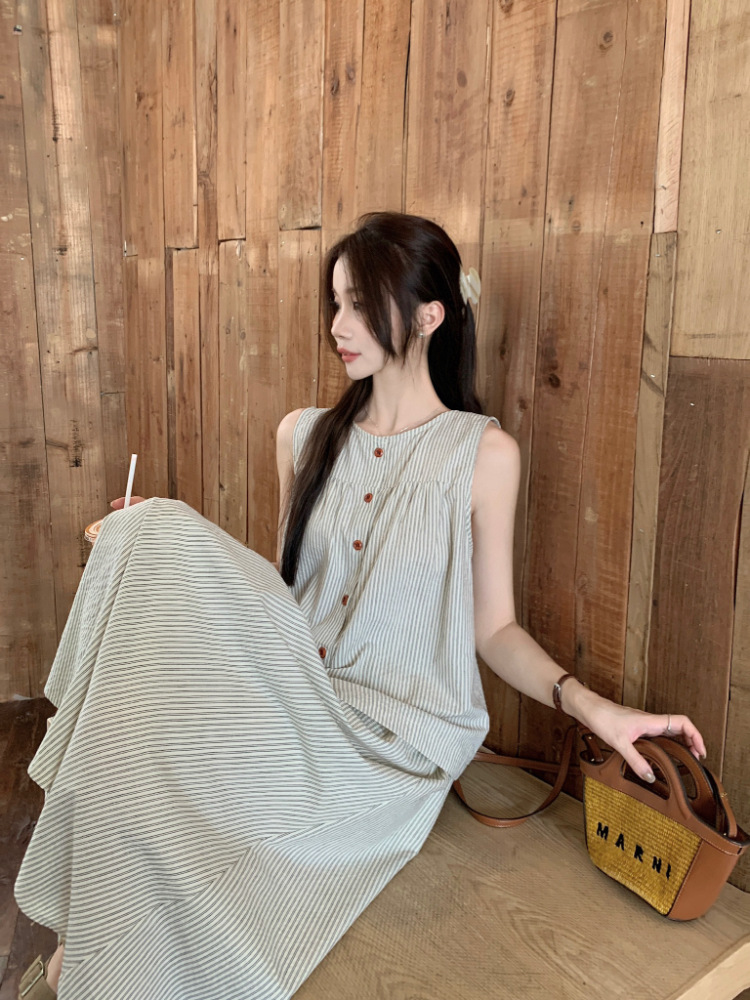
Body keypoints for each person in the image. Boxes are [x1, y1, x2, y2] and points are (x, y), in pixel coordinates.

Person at [15, 212, 705, 1000]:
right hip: (295, 698)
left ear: (428, 316)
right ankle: (91, 947)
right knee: (144, 719)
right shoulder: (303, 435)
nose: (338, 327)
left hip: (391, 741)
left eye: (360, 306)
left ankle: (96, 959)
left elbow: (494, 629)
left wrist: (595, 709)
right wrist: (161, 545)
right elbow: (281, 592)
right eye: (335, 304)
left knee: (184, 757)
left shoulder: (482, 454)